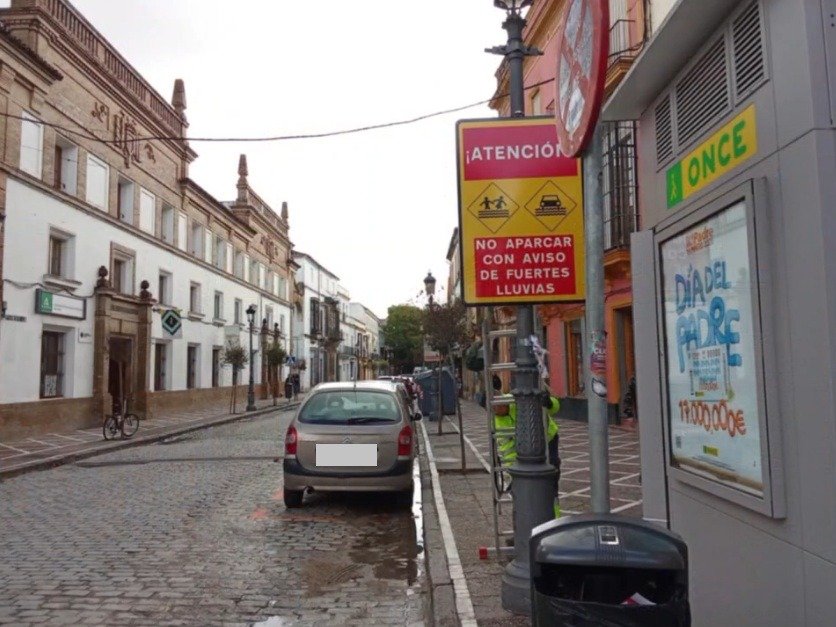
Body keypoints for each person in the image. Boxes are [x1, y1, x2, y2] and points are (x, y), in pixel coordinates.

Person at [492, 378, 561, 517]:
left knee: (551, 477)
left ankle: (554, 517)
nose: (498, 410)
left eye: (500, 407)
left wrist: (548, 402)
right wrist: (514, 475)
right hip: (525, 450)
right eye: (495, 409)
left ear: (504, 401)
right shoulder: (498, 423)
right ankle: (526, 521)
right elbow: (508, 451)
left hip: (548, 439)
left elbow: (554, 408)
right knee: (525, 488)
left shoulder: (518, 399)